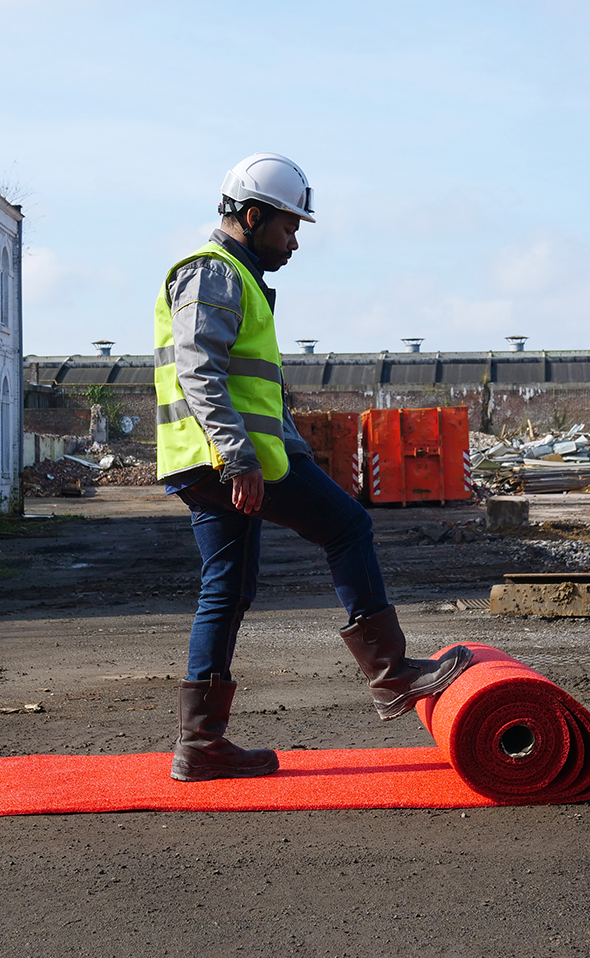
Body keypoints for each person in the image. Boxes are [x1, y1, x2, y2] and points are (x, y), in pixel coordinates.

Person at [154, 152, 473, 782]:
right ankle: (391, 675)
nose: (295, 241)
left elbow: (253, 387)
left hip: (207, 462)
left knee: (226, 591)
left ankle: (200, 745)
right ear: (251, 216)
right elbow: (200, 371)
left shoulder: (235, 279)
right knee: (348, 526)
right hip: (233, 461)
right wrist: (241, 458)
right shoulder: (214, 274)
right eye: (289, 226)